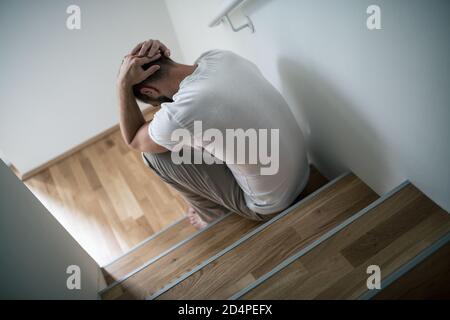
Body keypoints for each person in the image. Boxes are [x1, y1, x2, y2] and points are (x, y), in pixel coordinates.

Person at [117, 40, 309, 229]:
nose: (160, 107)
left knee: (152, 155)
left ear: (149, 91)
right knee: (197, 136)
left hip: (272, 205)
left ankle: (212, 217)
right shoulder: (219, 56)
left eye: (155, 104)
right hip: (304, 171)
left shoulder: (180, 113)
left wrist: (122, 83)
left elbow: (134, 139)